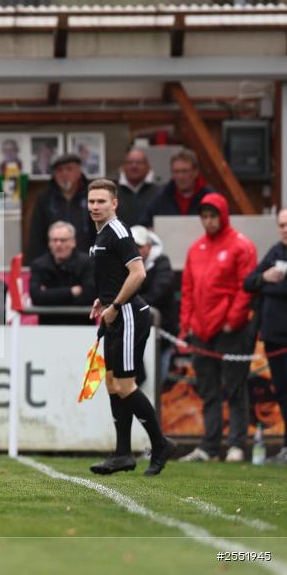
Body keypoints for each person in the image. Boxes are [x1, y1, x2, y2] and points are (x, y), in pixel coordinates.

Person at [85, 178, 175, 477]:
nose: (95, 206)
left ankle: (160, 444)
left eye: (101, 201)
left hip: (129, 315)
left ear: (114, 203)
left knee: (125, 385)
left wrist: (114, 306)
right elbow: (116, 274)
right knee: (112, 383)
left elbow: (138, 274)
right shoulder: (101, 234)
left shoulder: (118, 232)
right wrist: (104, 299)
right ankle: (123, 454)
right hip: (116, 312)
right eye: (91, 201)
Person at [178, 193, 256, 463]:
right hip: (201, 330)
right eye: (205, 217)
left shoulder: (241, 246)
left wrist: (231, 321)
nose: (209, 222)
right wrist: (185, 327)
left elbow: (245, 288)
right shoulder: (196, 248)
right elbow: (187, 290)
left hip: (229, 330)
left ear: (223, 216)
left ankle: (236, 444)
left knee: (235, 388)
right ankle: (210, 446)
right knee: (208, 390)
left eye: (213, 217)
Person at [244, 208, 287, 464]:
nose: (285, 229)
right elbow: (248, 282)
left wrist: (270, 285)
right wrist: (265, 278)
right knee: (281, 392)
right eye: (281, 225)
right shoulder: (275, 251)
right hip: (273, 337)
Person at [25, 153, 92, 265]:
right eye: (60, 170)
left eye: (69, 169)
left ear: (79, 172)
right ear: (54, 174)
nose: (64, 173)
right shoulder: (45, 198)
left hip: (86, 261)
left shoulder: (91, 195)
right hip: (53, 263)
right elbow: (36, 235)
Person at [130, 225, 177, 379]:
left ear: (149, 246)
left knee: (157, 377)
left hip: (160, 330)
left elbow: (158, 292)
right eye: (132, 246)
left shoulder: (161, 263)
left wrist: (129, 302)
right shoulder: (123, 265)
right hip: (132, 330)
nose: (136, 250)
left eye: (139, 246)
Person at [28, 221, 96, 326]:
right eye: (54, 240)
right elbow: (36, 297)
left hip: (81, 327)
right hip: (48, 328)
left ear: (73, 242)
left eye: (63, 240)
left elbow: (90, 296)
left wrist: (49, 295)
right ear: (49, 243)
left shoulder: (87, 263)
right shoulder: (39, 265)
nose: (58, 244)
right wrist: (72, 292)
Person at [141, 149, 214, 227]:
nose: (180, 176)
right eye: (176, 171)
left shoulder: (210, 198)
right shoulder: (161, 198)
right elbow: (143, 226)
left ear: (195, 172)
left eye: (184, 171)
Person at [116, 149, 160, 227]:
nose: (134, 166)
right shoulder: (112, 193)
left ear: (148, 167)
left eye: (139, 163)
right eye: (130, 162)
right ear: (123, 167)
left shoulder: (159, 193)